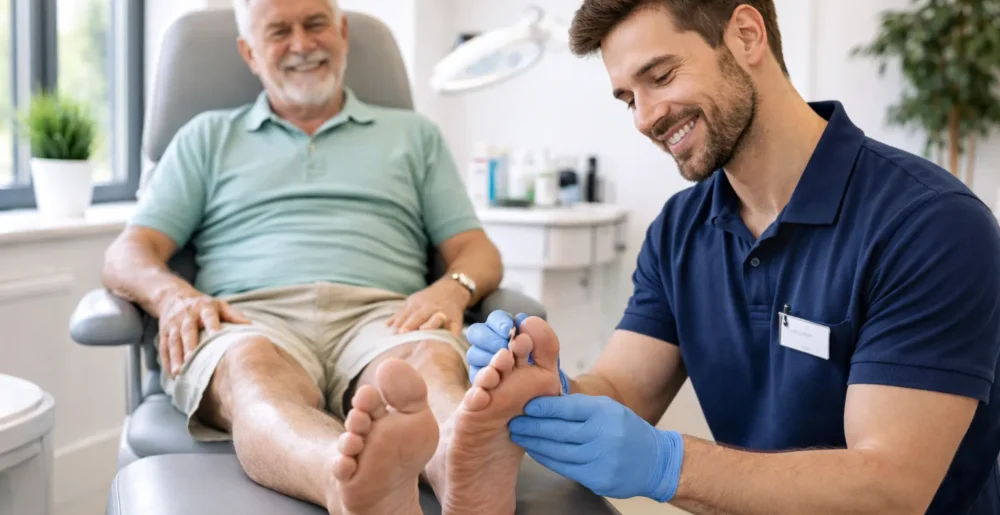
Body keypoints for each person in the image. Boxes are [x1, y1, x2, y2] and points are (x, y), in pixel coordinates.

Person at [466, 1, 1000, 514]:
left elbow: (889, 490)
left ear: (746, 35)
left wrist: (668, 464)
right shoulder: (679, 230)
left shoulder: (929, 224)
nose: (646, 118)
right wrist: (553, 387)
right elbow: (623, 389)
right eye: (629, 98)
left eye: (661, 76)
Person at [102, 1, 559, 514]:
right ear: (249, 53)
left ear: (341, 33)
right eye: (279, 31)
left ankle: (461, 467)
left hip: (384, 313)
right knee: (251, 372)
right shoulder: (207, 137)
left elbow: (474, 249)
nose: (301, 44)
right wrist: (172, 297)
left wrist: (452, 288)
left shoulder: (414, 135)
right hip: (251, 316)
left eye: (315, 23)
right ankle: (346, 481)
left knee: (424, 363)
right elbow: (129, 252)